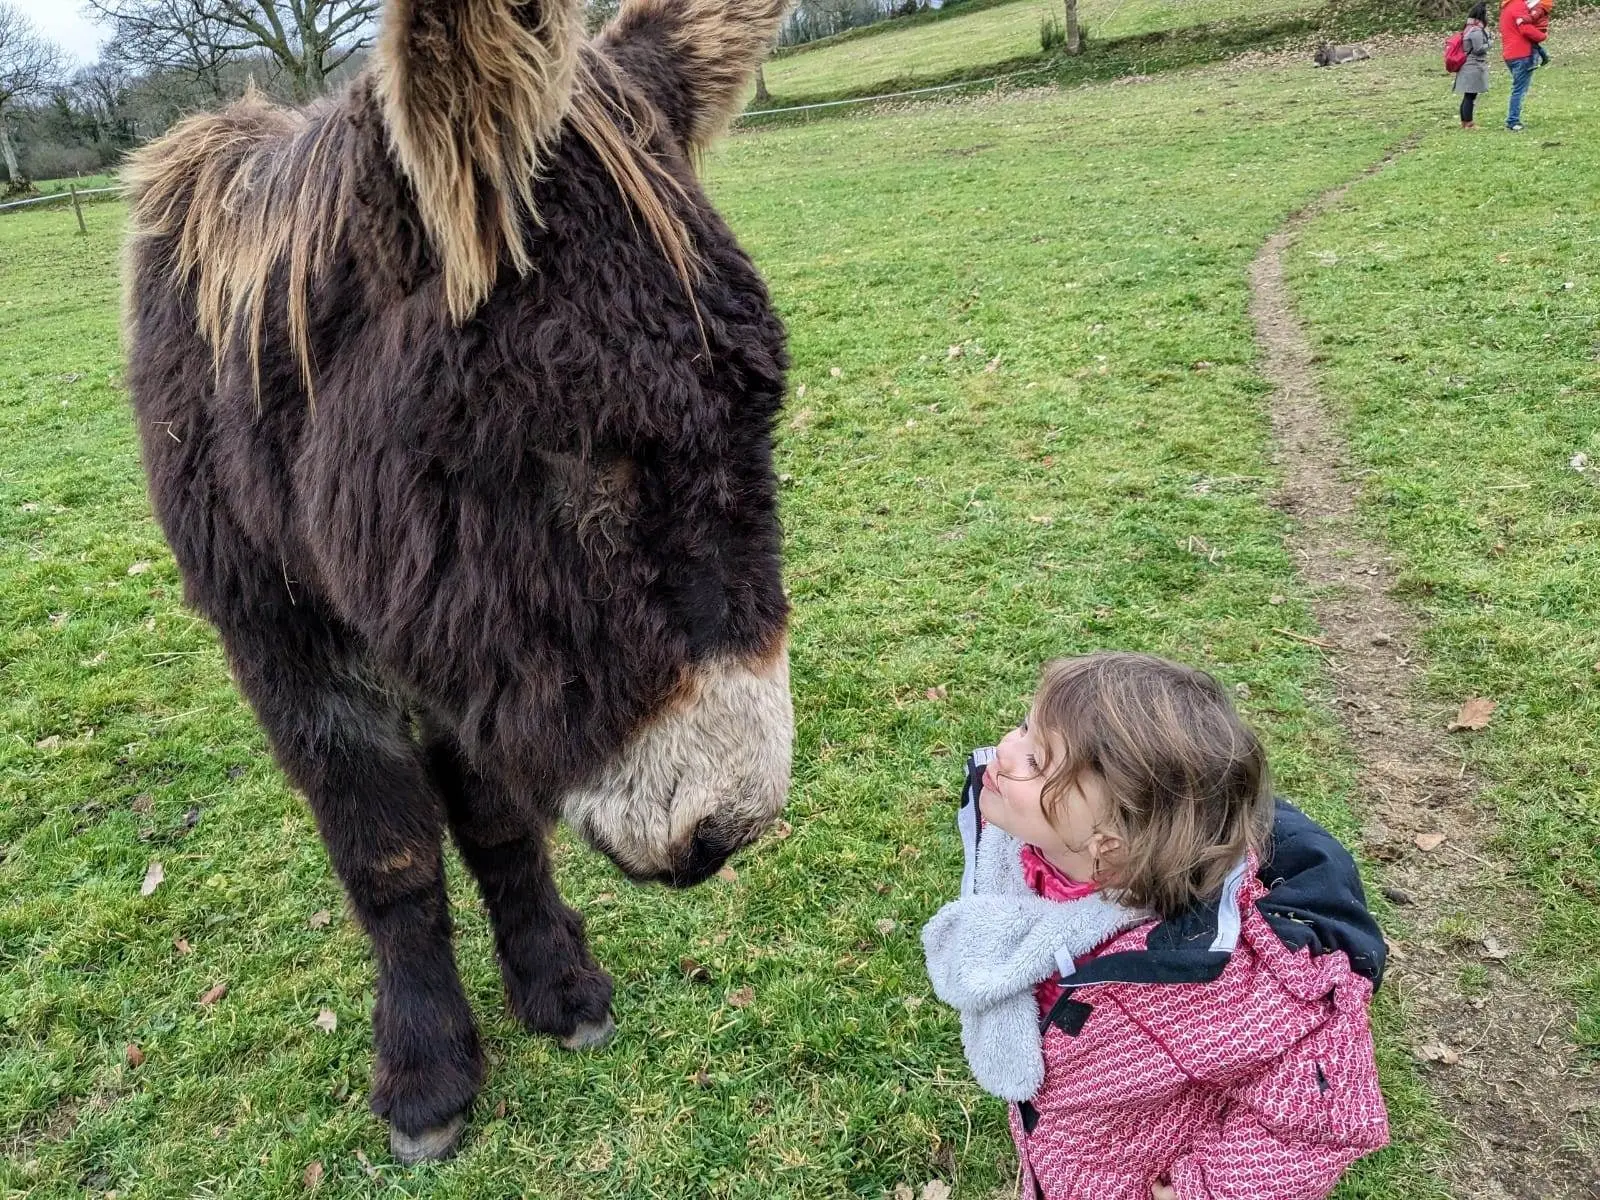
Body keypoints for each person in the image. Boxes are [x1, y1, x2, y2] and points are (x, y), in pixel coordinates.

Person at [922, 652, 1390, 1200]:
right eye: (1025, 727)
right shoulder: (1034, 854)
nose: (1005, 750)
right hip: (1068, 1139)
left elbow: (1319, 1111)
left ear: (1108, 843)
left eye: (1037, 761)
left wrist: (1211, 1191)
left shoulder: (1204, 989)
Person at [1500, 0, 1548, 131]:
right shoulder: (1518, 5)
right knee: (1519, 89)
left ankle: (1513, 119)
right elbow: (1525, 29)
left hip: (1509, 53)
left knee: (1518, 88)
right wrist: (1542, 36)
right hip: (1521, 53)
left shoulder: (1506, 7)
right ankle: (1513, 121)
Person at [1456, 4, 1493, 128]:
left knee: (1468, 94)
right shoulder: (1476, 30)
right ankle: (1469, 123)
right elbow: (1478, 49)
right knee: (1470, 95)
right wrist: (1490, 43)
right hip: (1473, 65)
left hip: (1467, 64)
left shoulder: (1468, 27)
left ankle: (1464, 122)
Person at [1527, 0, 1553, 65]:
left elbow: (1534, 17)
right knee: (1534, 44)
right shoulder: (1541, 6)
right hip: (1540, 27)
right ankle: (1545, 57)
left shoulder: (1538, 7)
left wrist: (1523, 19)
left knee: (1532, 45)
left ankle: (1535, 61)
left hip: (1538, 28)